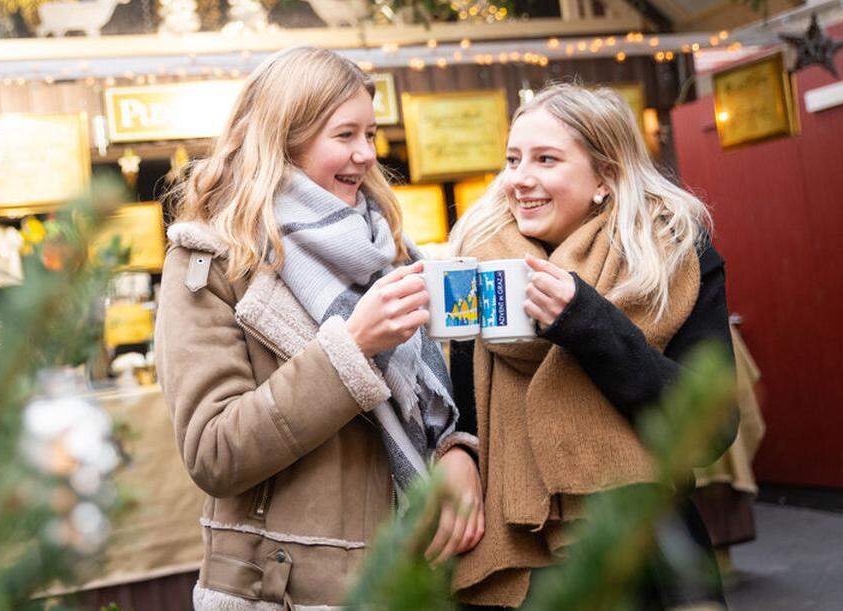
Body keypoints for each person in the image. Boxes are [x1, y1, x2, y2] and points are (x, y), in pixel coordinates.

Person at [155, 46, 484, 610]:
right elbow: (213, 451)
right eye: (345, 135)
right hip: (287, 591)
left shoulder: (391, 250)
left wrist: (458, 451)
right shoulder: (210, 261)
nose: (365, 155)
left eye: (371, 135)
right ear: (285, 137)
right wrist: (351, 349)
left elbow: (430, 404)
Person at [447, 83, 737, 608]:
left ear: (605, 177)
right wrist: (455, 452)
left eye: (546, 159)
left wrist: (586, 321)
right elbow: (459, 413)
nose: (520, 179)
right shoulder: (475, 264)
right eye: (513, 159)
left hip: (645, 556)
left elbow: (712, 427)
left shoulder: (673, 259)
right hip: (514, 564)